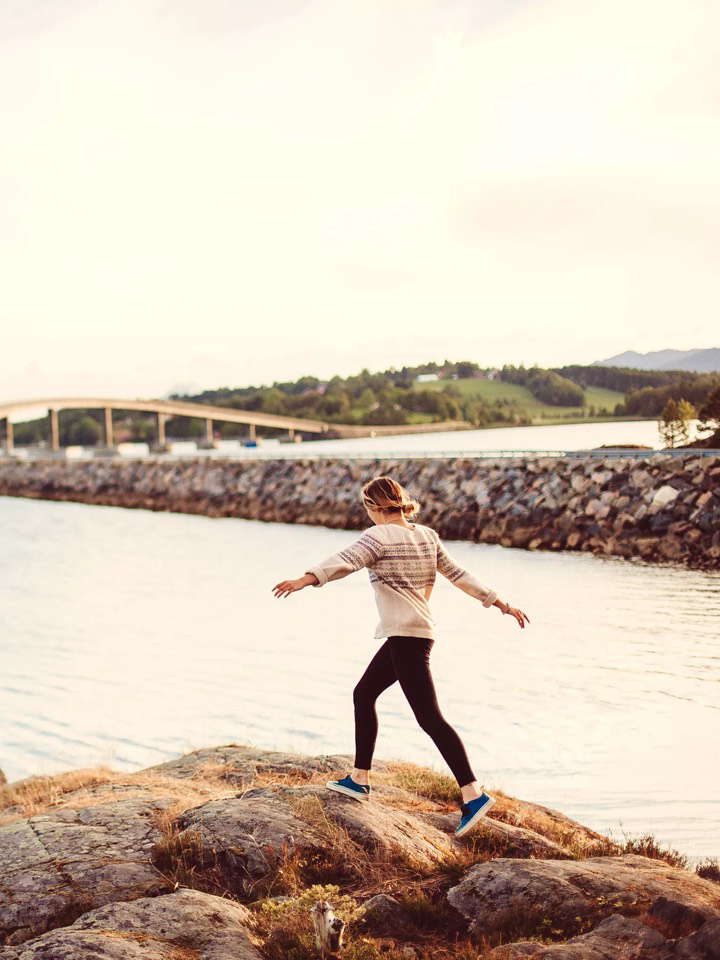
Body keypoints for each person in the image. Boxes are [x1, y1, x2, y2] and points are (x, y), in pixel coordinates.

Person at [272, 475, 530, 838]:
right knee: (364, 694)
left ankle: (473, 794)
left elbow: (345, 561)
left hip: (407, 636)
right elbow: (459, 575)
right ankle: (359, 778)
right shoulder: (427, 535)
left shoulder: (377, 536)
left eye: (368, 508)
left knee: (429, 718)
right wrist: (500, 603)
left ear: (374, 507)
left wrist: (306, 579)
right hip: (411, 635)